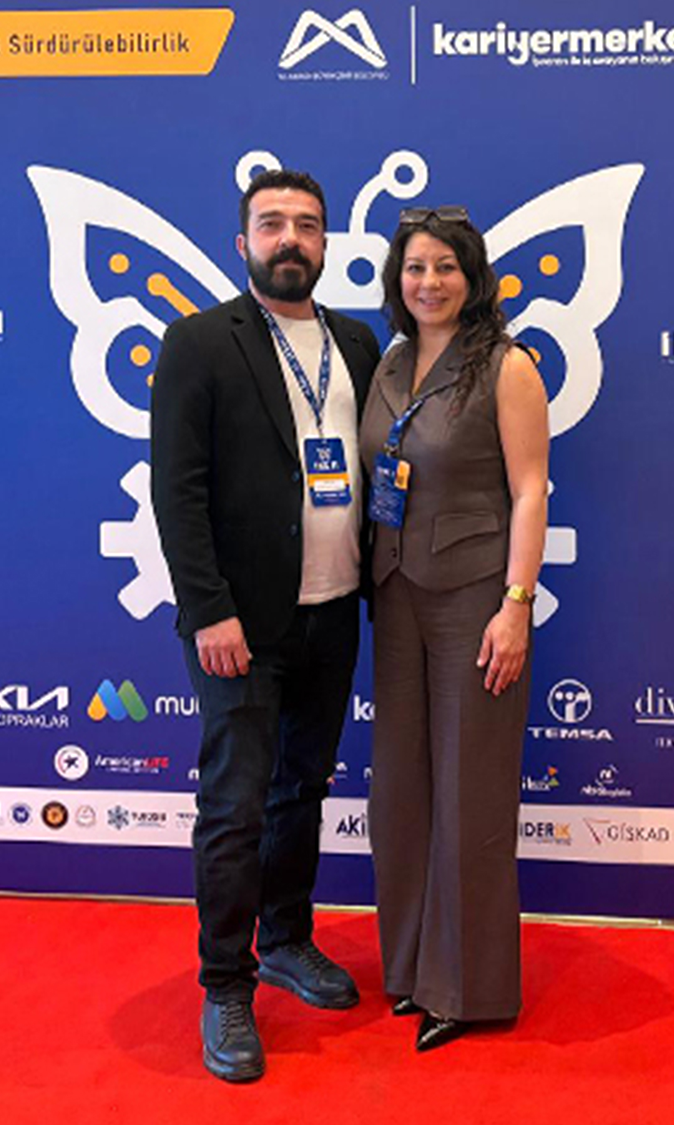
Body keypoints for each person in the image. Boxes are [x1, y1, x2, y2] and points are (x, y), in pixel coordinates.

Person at [151, 169, 379, 1082]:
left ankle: (285, 940)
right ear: (243, 242)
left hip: (334, 610)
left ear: (326, 244)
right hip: (237, 625)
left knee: (301, 792)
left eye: (308, 225)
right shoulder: (200, 341)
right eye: (273, 223)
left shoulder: (357, 343)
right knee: (235, 805)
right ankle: (225, 985)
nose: (292, 238)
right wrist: (209, 609)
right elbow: (178, 490)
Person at [360, 206, 548, 1052]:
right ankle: (409, 969)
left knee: (470, 790)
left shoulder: (507, 365)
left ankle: (466, 988)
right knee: (400, 793)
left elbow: (531, 491)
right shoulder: (391, 362)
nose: (428, 282)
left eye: (445, 266)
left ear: (473, 278)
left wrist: (516, 604)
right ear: (396, 279)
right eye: (414, 267)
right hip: (394, 592)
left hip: (476, 597)